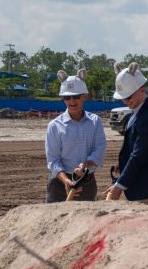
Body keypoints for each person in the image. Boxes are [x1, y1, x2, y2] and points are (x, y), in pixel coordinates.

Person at [106, 63, 148, 204]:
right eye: (123, 98)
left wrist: (119, 185)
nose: (126, 101)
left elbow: (139, 155)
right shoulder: (139, 110)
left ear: (142, 89)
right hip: (146, 187)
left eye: (129, 97)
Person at [44, 69, 106, 202]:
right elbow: (53, 160)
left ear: (84, 96)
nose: (71, 101)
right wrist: (66, 181)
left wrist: (85, 165)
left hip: (86, 181)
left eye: (76, 96)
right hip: (59, 183)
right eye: (67, 97)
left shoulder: (95, 122)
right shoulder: (54, 126)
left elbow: (99, 149)